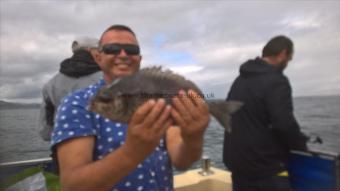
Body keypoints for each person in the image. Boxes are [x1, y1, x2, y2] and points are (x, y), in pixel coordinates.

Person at [51, 25, 210, 191]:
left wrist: (193, 137)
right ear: (98, 57)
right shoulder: (78, 103)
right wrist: (132, 152)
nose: (123, 55)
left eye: (131, 50)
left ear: (139, 58)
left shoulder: (156, 95)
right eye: (112, 49)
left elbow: (182, 161)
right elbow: (72, 186)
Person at [223, 35, 308, 191]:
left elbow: (229, 114)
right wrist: (302, 146)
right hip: (265, 170)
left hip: (239, 168)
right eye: (289, 58)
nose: (288, 63)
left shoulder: (239, 80)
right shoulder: (276, 80)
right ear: (283, 54)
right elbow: (284, 124)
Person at [39, 37, 102, 141]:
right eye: (100, 50)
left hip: (63, 150)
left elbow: (45, 132)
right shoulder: (108, 79)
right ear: (91, 51)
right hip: (103, 149)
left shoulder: (50, 84)